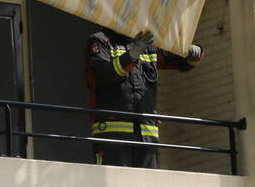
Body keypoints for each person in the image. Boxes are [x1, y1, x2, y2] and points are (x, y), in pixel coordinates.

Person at [84, 27, 205, 169]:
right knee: (117, 182)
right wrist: (131, 56)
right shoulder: (100, 40)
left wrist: (191, 53)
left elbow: (177, 60)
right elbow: (104, 74)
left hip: (147, 135)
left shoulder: (148, 44)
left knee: (148, 182)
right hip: (112, 134)